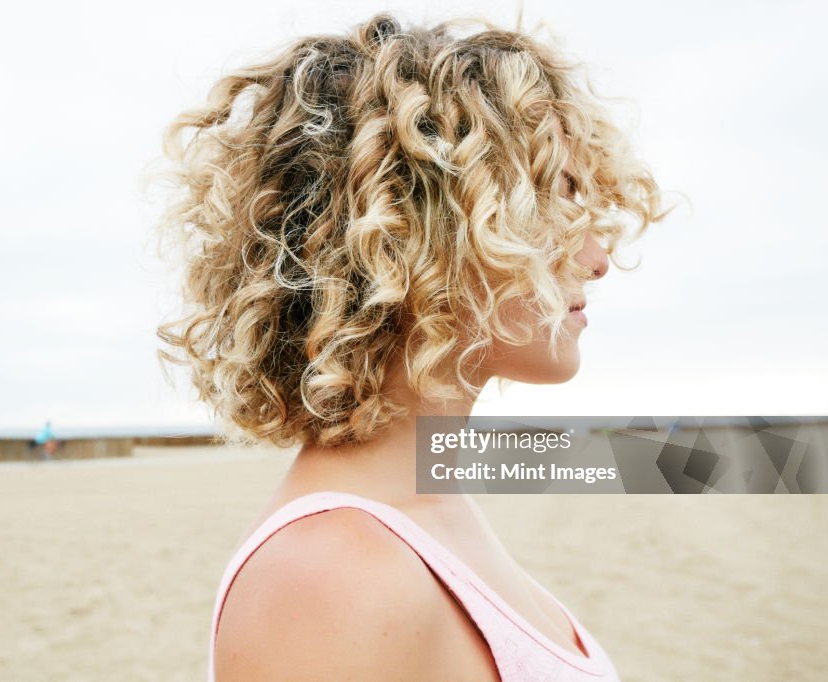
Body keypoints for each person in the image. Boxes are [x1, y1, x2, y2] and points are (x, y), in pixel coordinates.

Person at [154, 11, 672, 681]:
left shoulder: (432, 505)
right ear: (418, 230)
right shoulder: (330, 575)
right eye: (554, 198)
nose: (598, 257)